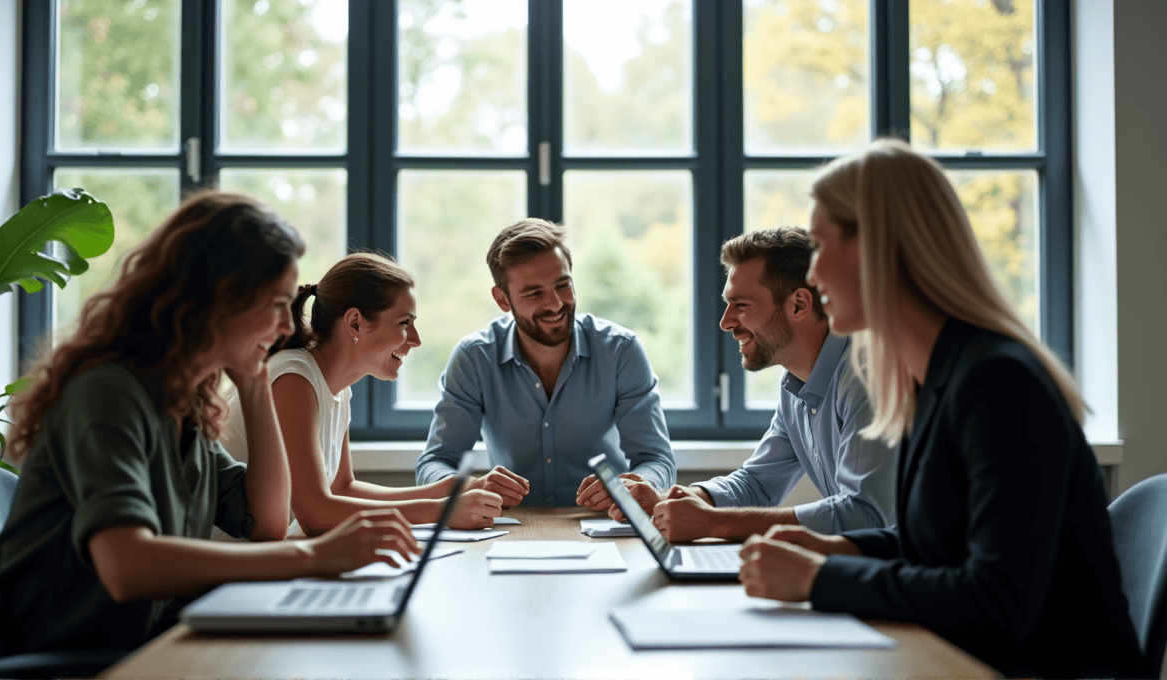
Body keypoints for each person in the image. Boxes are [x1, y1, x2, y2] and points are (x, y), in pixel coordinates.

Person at [736, 140, 1142, 678]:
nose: (812, 275)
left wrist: (818, 578)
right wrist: (838, 547)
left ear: (881, 248)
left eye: (820, 245)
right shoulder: (933, 375)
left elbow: (995, 599)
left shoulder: (999, 384)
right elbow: (939, 542)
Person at [0, 191, 418, 656]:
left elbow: (268, 523)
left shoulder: (181, 406)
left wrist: (254, 387)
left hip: (153, 633)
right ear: (219, 300)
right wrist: (312, 557)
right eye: (275, 306)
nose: (285, 327)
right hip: (81, 653)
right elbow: (125, 564)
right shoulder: (108, 393)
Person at [613, 228, 896, 542]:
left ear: (799, 305)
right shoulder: (796, 385)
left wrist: (715, 524)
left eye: (741, 305)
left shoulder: (867, 376)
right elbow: (759, 484)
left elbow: (866, 516)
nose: (726, 322)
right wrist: (687, 501)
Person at [221, 252, 505, 534]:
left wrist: (446, 490)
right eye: (404, 323)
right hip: (233, 565)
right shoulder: (293, 378)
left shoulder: (338, 388)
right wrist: (441, 511)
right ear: (355, 322)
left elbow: (343, 487)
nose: (416, 341)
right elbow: (315, 514)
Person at [416, 218, 676, 508]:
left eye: (562, 285)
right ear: (503, 299)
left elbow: (657, 460)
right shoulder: (474, 358)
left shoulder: (621, 351)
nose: (554, 304)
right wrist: (470, 487)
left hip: (605, 526)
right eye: (534, 293)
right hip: (512, 530)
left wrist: (635, 486)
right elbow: (435, 463)